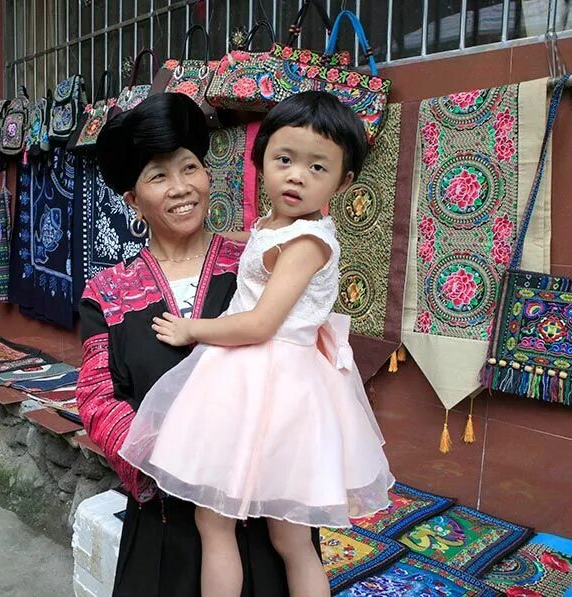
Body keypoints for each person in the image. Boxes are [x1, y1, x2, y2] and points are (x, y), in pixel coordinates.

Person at [119, 91, 394, 597]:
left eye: (318, 167)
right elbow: (258, 252)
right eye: (284, 159)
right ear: (260, 159)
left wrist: (191, 328)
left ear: (344, 182)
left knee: (270, 535)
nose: (296, 176)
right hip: (256, 383)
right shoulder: (274, 226)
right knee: (236, 529)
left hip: (270, 383)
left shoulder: (308, 242)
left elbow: (261, 323)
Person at [76, 93, 321, 597]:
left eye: (190, 167)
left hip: (265, 511)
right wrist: (178, 456)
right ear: (133, 201)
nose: (182, 188)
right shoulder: (109, 292)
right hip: (168, 524)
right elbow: (96, 398)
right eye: (158, 176)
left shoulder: (260, 264)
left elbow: (304, 354)